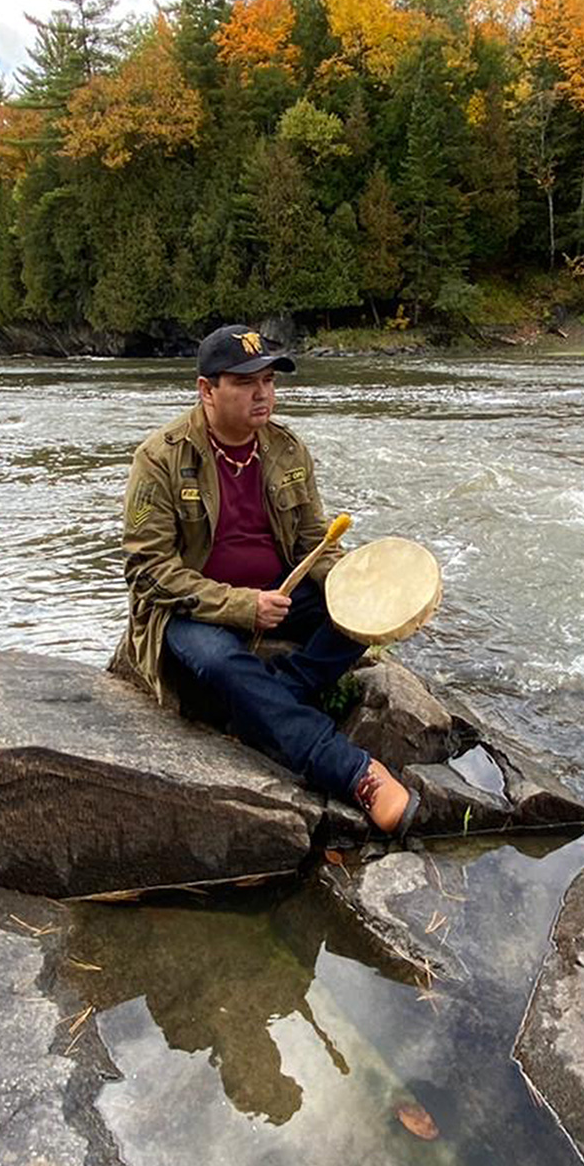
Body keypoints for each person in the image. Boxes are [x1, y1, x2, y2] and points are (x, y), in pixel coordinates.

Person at [109, 324, 416, 833]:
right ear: (207, 390)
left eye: (269, 381)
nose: (264, 394)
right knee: (219, 661)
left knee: (356, 614)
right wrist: (241, 606)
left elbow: (314, 542)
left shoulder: (286, 449)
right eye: (247, 382)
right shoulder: (160, 458)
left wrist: (357, 585)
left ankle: (270, 699)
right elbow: (146, 570)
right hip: (189, 612)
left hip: (281, 591)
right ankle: (352, 771)